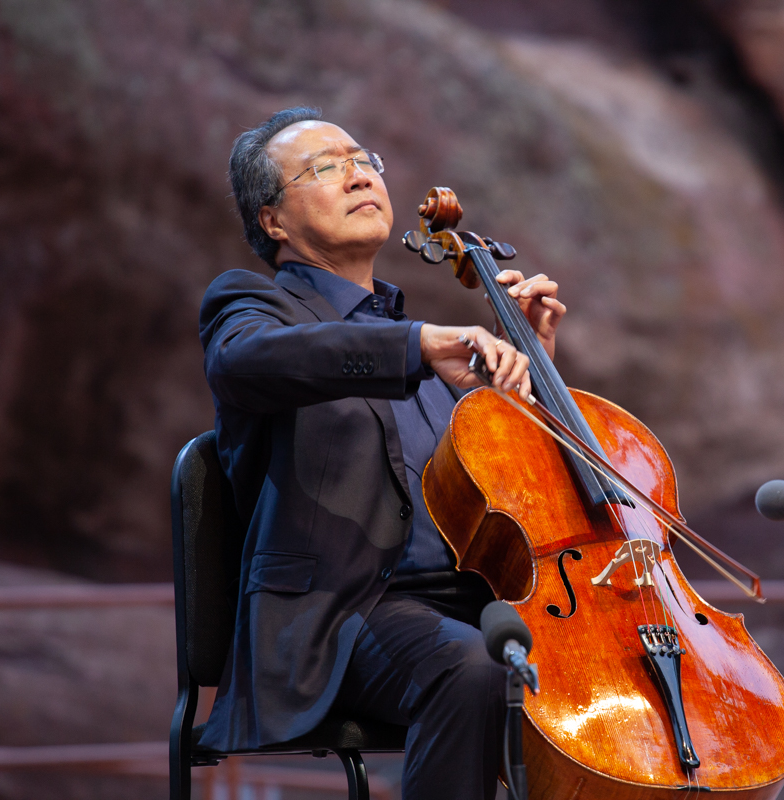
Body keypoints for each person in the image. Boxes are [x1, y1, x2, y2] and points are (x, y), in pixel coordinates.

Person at [196, 106, 566, 800]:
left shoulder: (431, 351)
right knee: (477, 669)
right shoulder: (252, 308)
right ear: (273, 221)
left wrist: (535, 370)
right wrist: (416, 344)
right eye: (325, 168)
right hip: (348, 613)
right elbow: (245, 362)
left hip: (476, 599)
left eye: (364, 161)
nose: (359, 176)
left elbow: (514, 493)